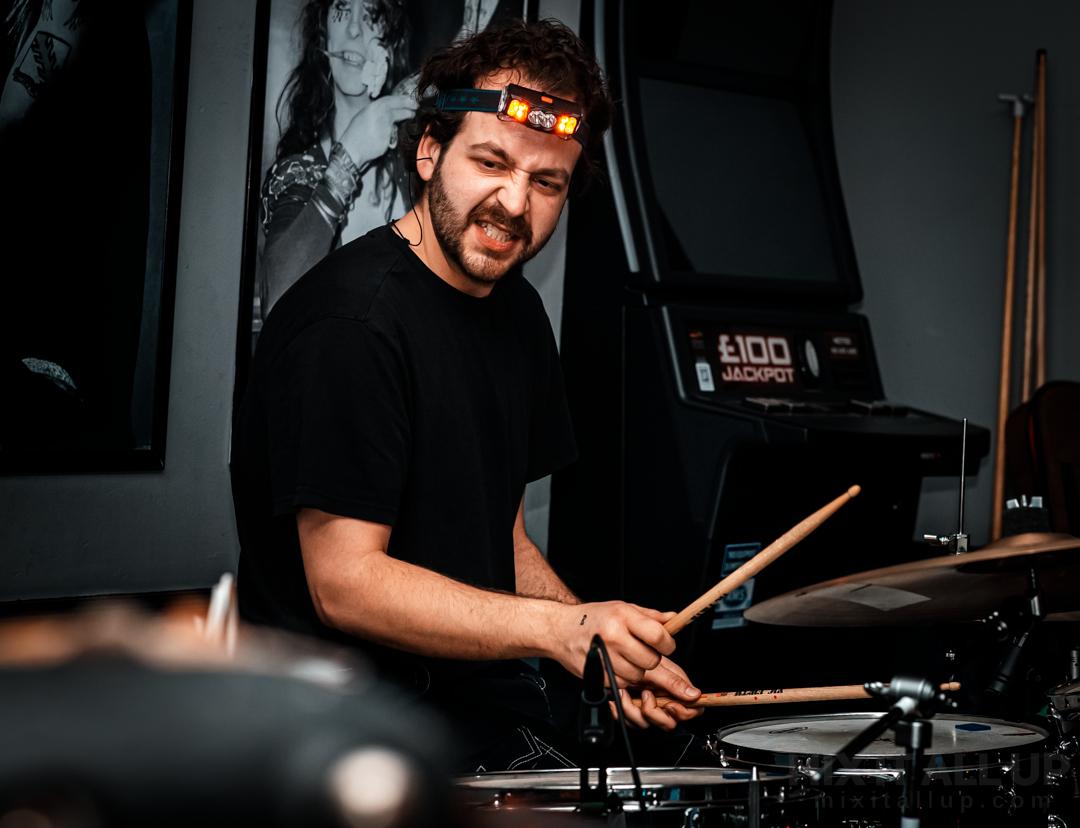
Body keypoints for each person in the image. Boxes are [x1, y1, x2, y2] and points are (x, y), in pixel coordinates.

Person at [232, 17, 706, 772]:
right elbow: (345, 584)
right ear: (429, 151)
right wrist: (559, 632)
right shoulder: (350, 326)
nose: (514, 203)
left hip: (478, 719)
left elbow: (500, 539)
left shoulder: (516, 312)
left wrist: (604, 651)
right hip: (345, 742)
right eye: (492, 161)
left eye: (546, 182)